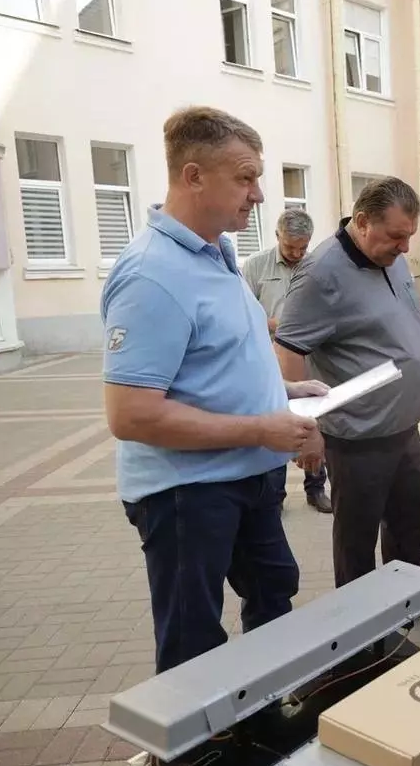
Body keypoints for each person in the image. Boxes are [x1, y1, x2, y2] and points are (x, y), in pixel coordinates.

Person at [100, 106, 329, 681]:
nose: (258, 196)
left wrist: (287, 388)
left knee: (274, 589)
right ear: (194, 176)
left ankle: (266, 716)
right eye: (246, 177)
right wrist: (263, 429)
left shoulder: (217, 256)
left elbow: (217, 363)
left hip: (247, 477)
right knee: (192, 634)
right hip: (187, 493)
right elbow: (131, 415)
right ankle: (188, 757)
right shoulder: (153, 275)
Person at [274, 176, 420, 616]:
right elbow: (289, 350)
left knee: (407, 521)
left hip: (403, 425)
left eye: (410, 237)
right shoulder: (320, 274)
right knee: (356, 538)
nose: (405, 248)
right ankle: (361, 625)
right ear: (362, 222)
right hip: (357, 434)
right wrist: (308, 429)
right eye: (397, 236)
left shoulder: (391, 257)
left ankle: (411, 597)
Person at [243, 208, 332, 514]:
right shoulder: (255, 266)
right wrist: (281, 326)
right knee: (278, 422)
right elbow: (244, 314)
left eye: (302, 247)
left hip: (310, 358)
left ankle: (316, 488)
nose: (296, 253)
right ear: (277, 236)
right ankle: (275, 495)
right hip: (269, 360)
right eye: (289, 246)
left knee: (311, 421)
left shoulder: (318, 267)